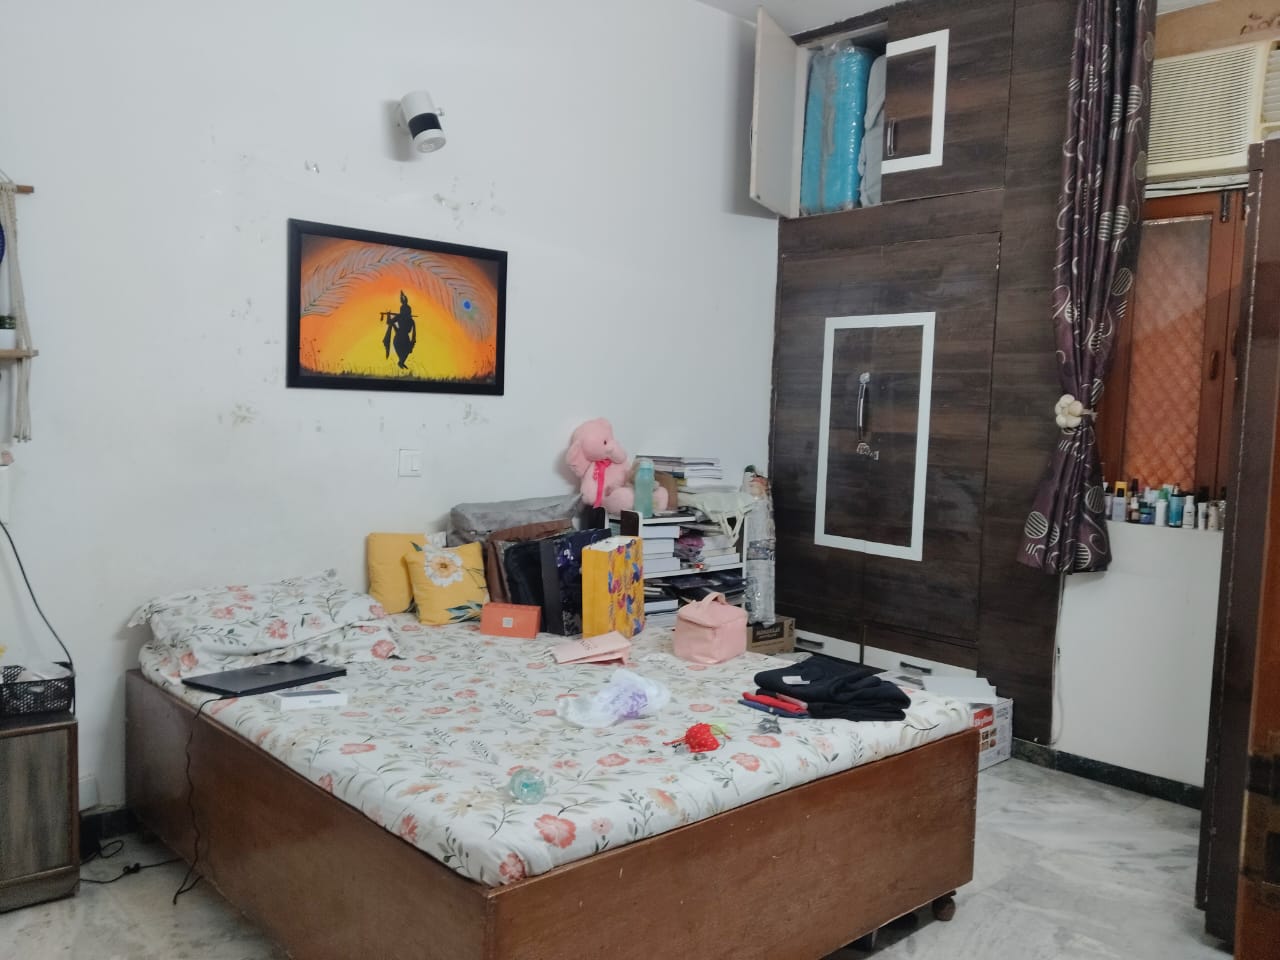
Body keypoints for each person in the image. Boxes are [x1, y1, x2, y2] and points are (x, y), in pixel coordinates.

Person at [382, 291, 416, 369]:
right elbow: (389, 322)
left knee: (407, 350)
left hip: (404, 338)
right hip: (399, 337)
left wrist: (413, 341)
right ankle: (401, 362)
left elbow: (413, 332)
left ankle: (401, 362)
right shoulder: (401, 317)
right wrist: (388, 316)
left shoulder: (410, 320)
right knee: (406, 350)